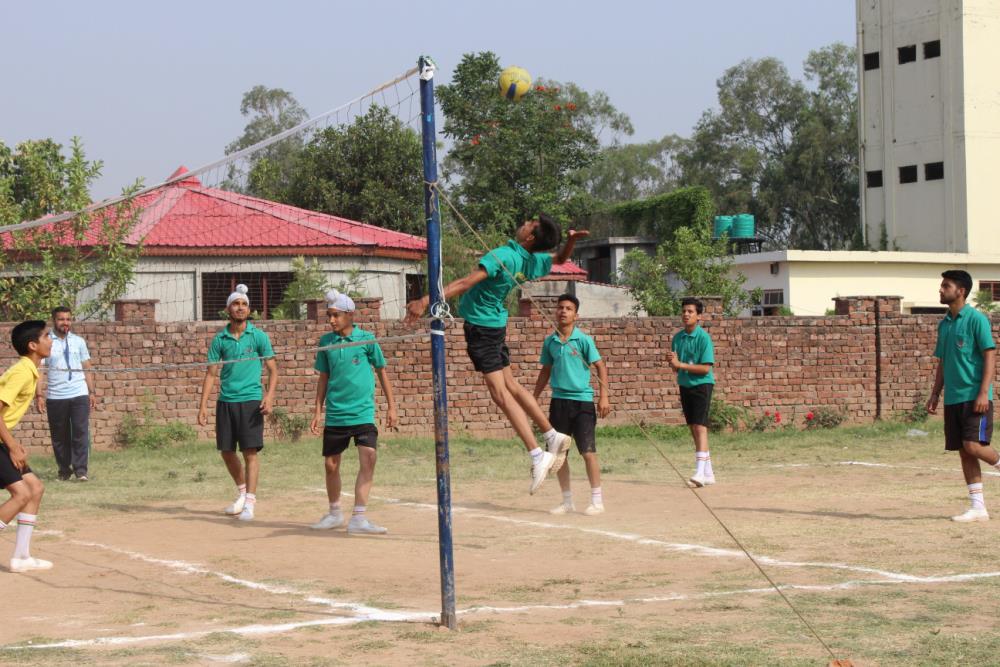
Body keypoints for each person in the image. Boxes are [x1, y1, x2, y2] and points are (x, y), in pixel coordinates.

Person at [405, 214, 587, 494]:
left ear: (529, 237)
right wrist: (571, 242)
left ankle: (537, 454)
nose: (524, 222)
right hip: (496, 325)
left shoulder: (503, 255)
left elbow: (466, 282)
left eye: (529, 223)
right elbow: (560, 260)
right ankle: (552, 435)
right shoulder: (529, 259)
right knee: (512, 385)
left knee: (500, 394)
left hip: (482, 328)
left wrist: (425, 300)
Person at [310, 289, 398, 535]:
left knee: (369, 457)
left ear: (349, 315)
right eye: (329, 316)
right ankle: (335, 513)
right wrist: (317, 411)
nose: (331, 320)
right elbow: (323, 378)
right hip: (336, 413)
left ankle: (359, 517)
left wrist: (392, 407)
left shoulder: (366, 339)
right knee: (331, 465)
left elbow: (382, 371)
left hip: (362, 413)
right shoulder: (326, 342)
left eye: (335, 315)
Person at [198, 285, 278, 522]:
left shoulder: (259, 336)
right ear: (228, 309)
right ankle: (242, 493)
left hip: (251, 400)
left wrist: (269, 396)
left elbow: (274, 370)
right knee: (226, 451)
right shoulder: (220, 339)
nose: (240, 308)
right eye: (236, 304)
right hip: (226, 401)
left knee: (250, 452)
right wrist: (202, 406)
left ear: (249, 309)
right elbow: (211, 374)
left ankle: (250, 503)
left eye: (244, 304)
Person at [926, 270, 998, 522]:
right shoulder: (944, 323)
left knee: (974, 445)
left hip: (975, 396)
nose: (941, 289)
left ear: (961, 291)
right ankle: (978, 508)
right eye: (941, 285)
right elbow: (943, 361)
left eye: (946, 285)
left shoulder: (976, 319)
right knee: (964, 451)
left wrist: (983, 392)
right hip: (953, 398)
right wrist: (935, 393)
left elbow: (990, 354)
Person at [532, 294, 610, 516]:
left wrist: (604, 397)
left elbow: (600, 367)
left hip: (583, 402)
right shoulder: (551, 342)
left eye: (568, 308)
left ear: (576, 315)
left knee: (587, 451)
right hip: (559, 403)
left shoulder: (583, 340)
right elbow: (545, 371)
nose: (563, 311)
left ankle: (597, 500)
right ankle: (567, 501)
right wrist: (533, 398)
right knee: (558, 455)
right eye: (560, 308)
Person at [0, 320, 54, 572]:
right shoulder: (22, 372)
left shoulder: (30, 370)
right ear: (33, 345)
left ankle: (21, 557)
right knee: (21, 494)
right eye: (47, 336)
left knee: (34, 488)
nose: (50, 340)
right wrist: (11, 445)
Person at [35, 306, 97, 482]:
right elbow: (40, 370)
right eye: (61, 319)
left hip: (79, 393)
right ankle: (64, 470)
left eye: (68, 319)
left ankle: (81, 471)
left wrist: (91, 392)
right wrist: (39, 395)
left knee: (80, 432)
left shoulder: (79, 341)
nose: (65, 323)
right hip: (56, 396)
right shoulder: (47, 342)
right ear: (54, 320)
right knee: (59, 436)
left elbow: (87, 368)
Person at [666, 297, 716, 488]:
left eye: (690, 312)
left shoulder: (703, 338)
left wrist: (680, 365)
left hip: (702, 385)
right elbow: (677, 368)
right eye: (684, 311)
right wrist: (673, 363)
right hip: (685, 385)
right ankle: (708, 472)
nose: (686, 314)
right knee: (692, 428)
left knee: (700, 427)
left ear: (699, 316)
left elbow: (705, 368)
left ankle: (699, 472)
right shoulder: (677, 338)